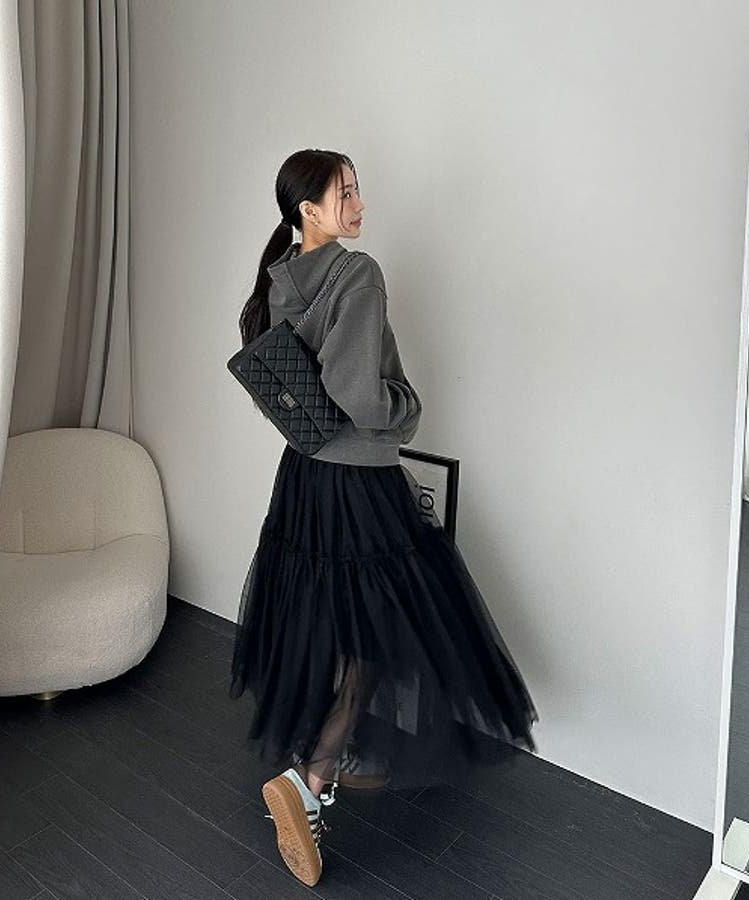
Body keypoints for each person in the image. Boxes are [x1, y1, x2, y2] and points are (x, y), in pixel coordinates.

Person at [229, 148, 538, 887]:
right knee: (373, 637)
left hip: (304, 477)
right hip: (360, 482)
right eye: (346, 193)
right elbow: (359, 397)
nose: (360, 203)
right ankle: (310, 778)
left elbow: (297, 386)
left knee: (328, 622)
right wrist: (408, 407)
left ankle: (328, 758)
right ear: (309, 210)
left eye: (358, 189)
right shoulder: (357, 273)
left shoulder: (281, 278)